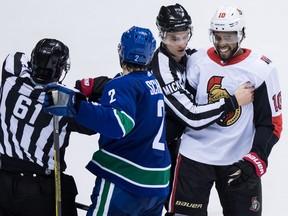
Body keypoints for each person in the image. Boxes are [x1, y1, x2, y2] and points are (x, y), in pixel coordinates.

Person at [74, 4, 254, 214]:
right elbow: (192, 116)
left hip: (167, 160)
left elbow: (132, 84)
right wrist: (232, 101)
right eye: (172, 38)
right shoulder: (160, 68)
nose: (180, 43)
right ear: (161, 35)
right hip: (152, 157)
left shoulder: (191, 58)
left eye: (184, 36)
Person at [42, 26, 171, 216]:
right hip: (157, 182)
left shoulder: (122, 85)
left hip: (126, 179)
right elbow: (132, 94)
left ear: (121, 51)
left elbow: (119, 124)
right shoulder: (152, 82)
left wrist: (76, 106)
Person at [168, 6, 283, 216]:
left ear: (242, 34)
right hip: (194, 157)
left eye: (228, 37)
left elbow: (272, 124)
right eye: (217, 37)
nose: (222, 44)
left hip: (238, 160)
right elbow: (183, 112)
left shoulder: (262, 69)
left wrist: (256, 158)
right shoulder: (197, 60)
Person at [0, 38, 95, 216]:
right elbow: (94, 125)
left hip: (3, 182)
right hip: (39, 191)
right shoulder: (62, 100)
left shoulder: (11, 74)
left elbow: (18, 57)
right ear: (59, 70)